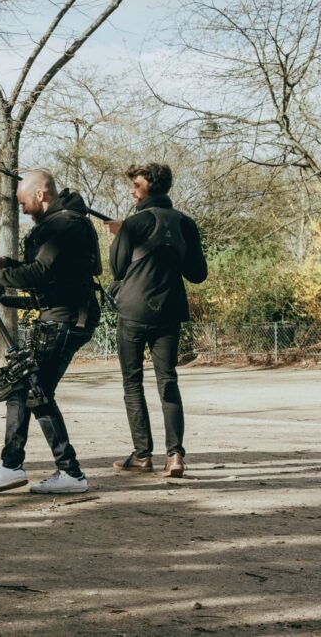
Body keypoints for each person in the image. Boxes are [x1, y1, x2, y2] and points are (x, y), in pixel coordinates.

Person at [0, 171, 101, 495]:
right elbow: (44, 271)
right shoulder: (61, 225)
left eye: (24, 203)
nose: (22, 210)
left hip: (66, 319)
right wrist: (1, 263)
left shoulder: (65, 226)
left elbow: (39, 272)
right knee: (24, 386)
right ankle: (13, 466)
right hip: (60, 316)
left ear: (40, 195)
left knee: (34, 389)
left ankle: (67, 472)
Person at [108, 163, 207, 478]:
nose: (132, 190)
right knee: (168, 380)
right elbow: (198, 274)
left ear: (150, 186)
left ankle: (142, 456)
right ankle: (175, 456)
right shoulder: (185, 223)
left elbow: (117, 269)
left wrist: (121, 235)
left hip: (133, 312)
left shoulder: (134, 223)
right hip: (170, 311)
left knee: (132, 382)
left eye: (136, 185)